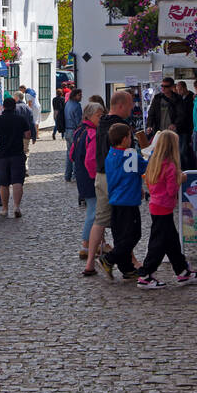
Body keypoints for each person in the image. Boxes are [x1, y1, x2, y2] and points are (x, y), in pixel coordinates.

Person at [136, 129, 197, 287]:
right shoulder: (170, 166)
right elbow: (171, 190)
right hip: (164, 206)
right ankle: (146, 274)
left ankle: (182, 271)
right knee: (159, 244)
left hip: (156, 205)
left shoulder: (154, 162)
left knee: (172, 242)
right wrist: (180, 179)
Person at [82, 88, 133, 275]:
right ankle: (129, 261)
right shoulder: (121, 127)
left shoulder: (101, 122)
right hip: (117, 177)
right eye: (129, 104)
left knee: (100, 220)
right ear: (120, 106)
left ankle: (89, 263)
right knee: (124, 221)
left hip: (100, 175)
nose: (132, 107)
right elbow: (129, 158)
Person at [98, 122, 150, 279]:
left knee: (121, 236)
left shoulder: (112, 153)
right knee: (133, 235)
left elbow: (125, 175)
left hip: (116, 200)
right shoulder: (130, 155)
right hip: (129, 202)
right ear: (124, 139)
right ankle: (109, 259)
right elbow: (145, 166)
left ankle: (126, 268)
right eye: (130, 136)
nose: (131, 139)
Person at [0, 95, 31, 218]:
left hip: (2, 155)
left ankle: (4, 209)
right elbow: (28, 135)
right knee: (17, 182)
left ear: (3, 106)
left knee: (4, 183)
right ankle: (16, 207)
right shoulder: (20, 119)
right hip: (17, 154)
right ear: (14, 107)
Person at [70, 101, 103, 258]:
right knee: (94, 212)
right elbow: (91, 160)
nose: (101, 118)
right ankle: (85, 245)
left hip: (81, 175)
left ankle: (97, 243)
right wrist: (95, 177)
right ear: (90, 116)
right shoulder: (92, 134)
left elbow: (71, 155)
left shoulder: (79, 131)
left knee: (94, 210)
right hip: (90, 177)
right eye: (99, 115)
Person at [63, 88, 83, 180]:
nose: (81, 97)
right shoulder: (77, 105)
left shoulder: (67, 103)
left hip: (67, 131)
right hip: (74, 131)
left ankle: (67, 175)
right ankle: (75, 175)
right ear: (75, 95)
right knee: (76, 154)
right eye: (79, 95)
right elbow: (78, 121)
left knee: (69, 154)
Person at [175, 80, 195, 170]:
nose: (178, 92)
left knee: (184, 151)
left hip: (187, 128)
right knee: (180, 151)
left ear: (184, 88)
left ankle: (188, 169)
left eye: (179, 90)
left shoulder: (192, 97)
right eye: (177, 90)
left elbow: (187, 114)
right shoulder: (179, 98)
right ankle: (183, 169)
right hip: (180, 128)